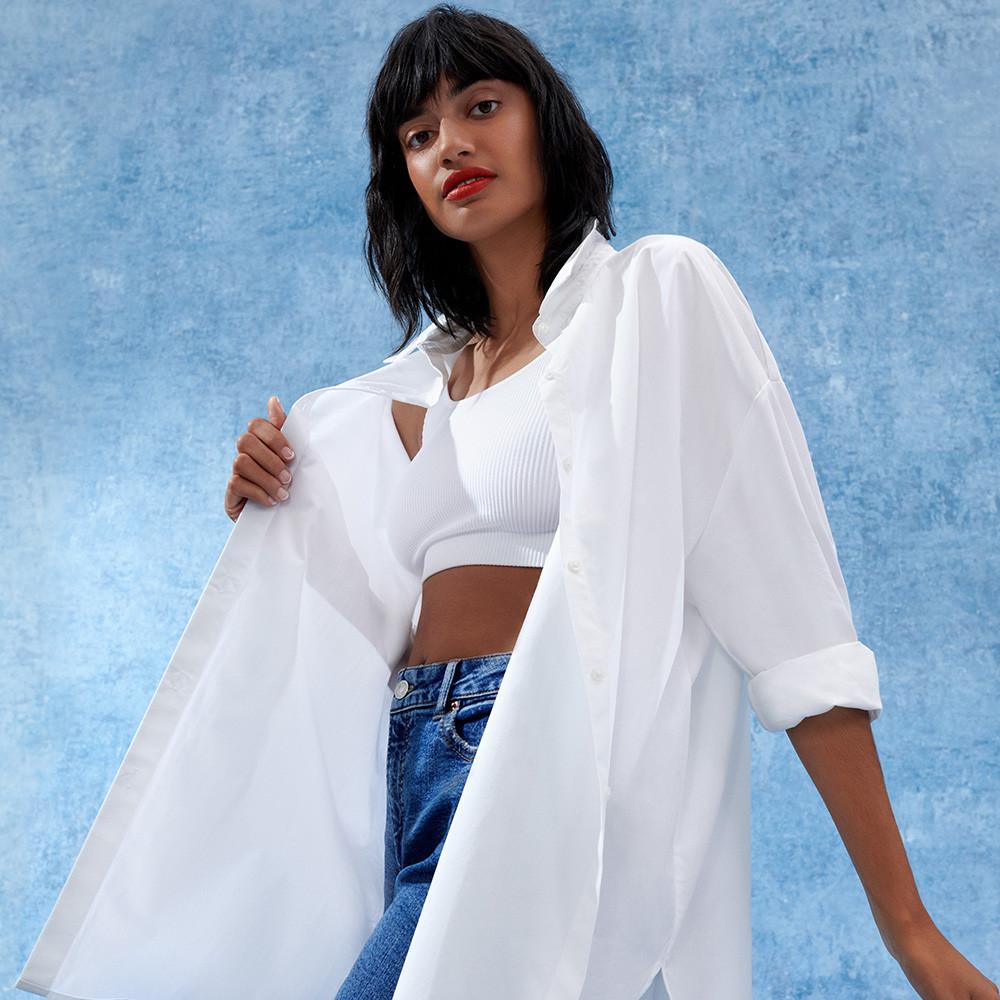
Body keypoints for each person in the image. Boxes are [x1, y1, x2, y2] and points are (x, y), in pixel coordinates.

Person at [15, 6, 995, 1000]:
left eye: (482, 105)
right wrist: (270, 502)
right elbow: (337, 626)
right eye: (419, 134)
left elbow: (788, 616)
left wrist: (906, 925)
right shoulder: (400, 395)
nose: (453, 145)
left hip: (526, 756)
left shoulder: (653, 300)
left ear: (545, 126)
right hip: (405, 772)